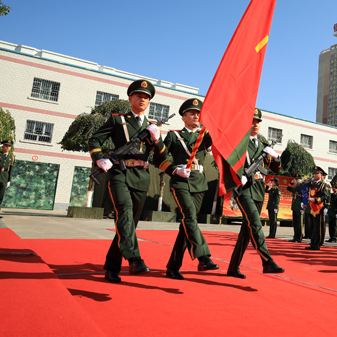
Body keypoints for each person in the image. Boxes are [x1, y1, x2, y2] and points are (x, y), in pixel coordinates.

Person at [88, 79, 169, 283]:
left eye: (146, 98)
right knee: (124, 212)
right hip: (119, 174)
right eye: (139, 96)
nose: (142, 99)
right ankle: (135, 259)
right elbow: (94, 139)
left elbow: (162, 158)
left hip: (141, 177)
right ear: (130, 98)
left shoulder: (152, 128)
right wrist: (100, 158)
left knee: (128, 225)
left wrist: (157, 140)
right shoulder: (118, 120)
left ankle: (112, 267)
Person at [157, 98, 219, 280]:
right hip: (180, 182)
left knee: (187, 225)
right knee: (190, 217)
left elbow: (217, 134)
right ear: (183, 117)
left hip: (199, 183)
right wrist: (174, 169)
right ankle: (203, 256)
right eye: (191, 113)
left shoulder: (204, 135)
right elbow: (160, 157)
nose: (196, 116)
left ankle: (172, 267)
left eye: (198, 113)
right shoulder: (173, 136)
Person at [227, 108, 284, 279]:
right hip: (244, 191)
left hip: (259, 191)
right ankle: (267, 261)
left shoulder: (263, 147)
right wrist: (239, 177)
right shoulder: (239, 144)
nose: (255, 124)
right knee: (255, 223)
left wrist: (275, 158)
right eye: (252, 121)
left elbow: (275, 169)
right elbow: (228, 163)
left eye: (258, 121)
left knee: (246, 231)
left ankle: (233, 268)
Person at [305, 166, 331, 250]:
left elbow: (326, 196)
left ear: (321, 175)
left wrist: (316, 200)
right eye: (314, 174)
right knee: (312, 227)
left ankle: (318, 243)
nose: (315, 175)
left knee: (318, 227)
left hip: (319, 208)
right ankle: (313, 243)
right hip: (312, 208)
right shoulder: (312, 184)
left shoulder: (324, 185)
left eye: (317, 173)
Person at [286, 174, 304, 242]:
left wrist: (303, 207)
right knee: (295, 223)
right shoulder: (295, 188)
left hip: (300, 208)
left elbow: (304, 197)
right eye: (296, 179)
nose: (296, 180)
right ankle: (295, 237)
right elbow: (288, 188)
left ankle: (299, 238)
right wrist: (291, 182)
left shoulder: (302, 188)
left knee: (299, 224)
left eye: (297, 179)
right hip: (294, 207)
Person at [0, 140, 15, 213]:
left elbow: (11, 170)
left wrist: (9, 181)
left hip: (4, 178)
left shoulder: (11, 157)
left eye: (9, 146)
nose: (7, 147)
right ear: (2, 146)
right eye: (6, 145)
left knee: (0, 197)